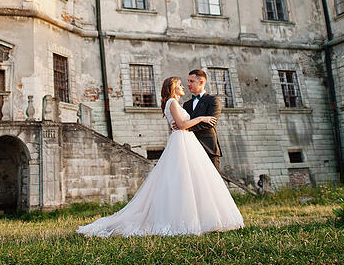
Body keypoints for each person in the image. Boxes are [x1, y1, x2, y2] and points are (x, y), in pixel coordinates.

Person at [77, 76, 243, 237]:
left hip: (185, 140)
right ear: (172, 88)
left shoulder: (175, 103)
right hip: (181, 140)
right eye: (180, 85)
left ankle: (200, 214)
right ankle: (185, 217)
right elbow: (182, 124)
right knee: (182, 179)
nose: (184, 87)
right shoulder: (172, 102)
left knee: (190, 179)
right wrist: (201, 118)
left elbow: (180, 124)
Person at [182, 69, 223, 171]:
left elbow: (210, 123)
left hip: (208, 147)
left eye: (191, 81)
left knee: (213, 183)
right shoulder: (186, 104)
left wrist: (186, 127)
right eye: (188, 81)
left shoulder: (213, 100)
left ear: (201, 82)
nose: (188, 84)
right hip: (191, 148)